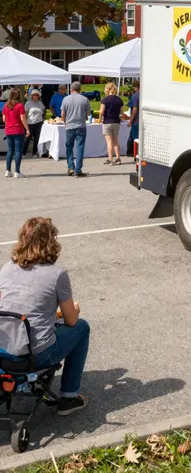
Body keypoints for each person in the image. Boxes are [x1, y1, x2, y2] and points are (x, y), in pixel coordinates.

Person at [0, 217, 89, 415]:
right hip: (35, 354)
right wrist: (76, 308)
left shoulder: (5, 269)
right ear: (51, 242)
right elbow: (71, 320)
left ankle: (19, 381)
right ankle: (69, 397)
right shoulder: (57, 274)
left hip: (4, 351)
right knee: (82, 327)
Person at [61, 83, 91, 178]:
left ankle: (70, 167)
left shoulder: (66, 99)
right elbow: (88, 114)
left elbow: (63, 113)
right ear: (80, 89)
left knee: (69, 146)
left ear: (71, 89)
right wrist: (84, 118)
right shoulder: (84, 99)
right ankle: (78, 169)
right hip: (81, 125)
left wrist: (65, 122)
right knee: (80, 147)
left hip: (69, 126)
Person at [2, 89, 30, 179]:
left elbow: (4, 119)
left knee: (10, 150)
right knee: (18, 150)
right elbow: (23, 118)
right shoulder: (20, 105)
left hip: (9, 130)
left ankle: (8, 170)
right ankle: (17, 171)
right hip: (18, 130)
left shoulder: (6, 106)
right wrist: (27, 129)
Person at [99, 83, 127, 166]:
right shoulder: (119, 100)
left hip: (107, 122)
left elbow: (101, 111)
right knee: (115, 141)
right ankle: (118, 158)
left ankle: (110, 159)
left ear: (107, 89)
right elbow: (122, 114)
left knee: (109, 142)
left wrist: (100, 119)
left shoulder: (105, 100)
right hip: (116, 122)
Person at [23, 89, 46, 158]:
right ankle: (23, 153)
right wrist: (25, 123)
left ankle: (34, 153)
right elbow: (25, 114)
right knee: (27, 139)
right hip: (30, 123)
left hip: (38, 123)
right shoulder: (28, 103)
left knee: (37, 139)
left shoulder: (40, 103)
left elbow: (43, 112)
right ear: (32, 96)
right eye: (34, 95)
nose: (35, 96)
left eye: (37, 95)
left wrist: (43, 120)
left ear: (38, 96)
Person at [127, 81, 140, 154]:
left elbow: (134, 109)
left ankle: (137, 155)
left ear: (135, 87)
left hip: (136, 121)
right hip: (143, 120)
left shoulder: (135, 96)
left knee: (136, 140)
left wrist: (130, 120)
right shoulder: (145, 95)